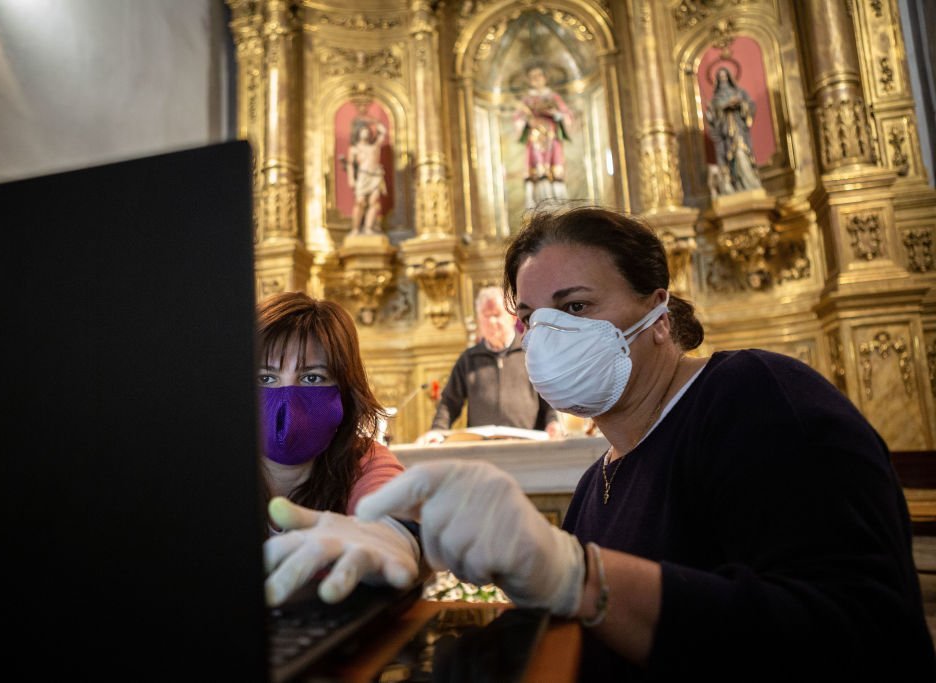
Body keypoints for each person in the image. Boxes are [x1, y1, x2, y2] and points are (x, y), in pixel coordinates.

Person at [266, 207, 936, 680]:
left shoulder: (753, 395)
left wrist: (581, 576)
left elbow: (861, 635)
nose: (546, 334)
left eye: (577, 306)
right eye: (531, 317)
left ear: (658, 313)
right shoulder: (598, 480)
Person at [256, 291, 419, 606]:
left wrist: (391, 538)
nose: (287, 401)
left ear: (345, 393)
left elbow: (393, 511)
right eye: (266, 377)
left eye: (312, 377)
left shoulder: (364, 461)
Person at [419, 286, 562, 444]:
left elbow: (550, 397)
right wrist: (438, 430)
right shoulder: (469, 359)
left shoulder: (531, 352)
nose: (491, 322)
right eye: (485, 316)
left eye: (496, 315)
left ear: (512, 317)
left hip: (528, 445)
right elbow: (449, 403)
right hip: (482, 447)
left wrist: (553, 422)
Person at [513, 64, 573, 209]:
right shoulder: (526, 100)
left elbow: (567, 115)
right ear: (529, 80)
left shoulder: (553, 97)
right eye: (533, 77)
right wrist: (527, 120)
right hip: (534, 139)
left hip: (551, 138)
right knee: (537, 169)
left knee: (554, 168)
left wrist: (555, 114)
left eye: (539, 76)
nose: (536, 79)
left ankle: (557, 203)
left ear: (545, 78)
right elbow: (518, 119)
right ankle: (537, 203)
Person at [705, 66, 763, 195]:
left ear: (729, 77)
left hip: (739, 130)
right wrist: (717, 111)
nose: (723, 79)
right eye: (720, 78)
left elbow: (750, 106)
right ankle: (734, 184)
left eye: (725, 76)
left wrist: (741, 105)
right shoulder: (715, 100)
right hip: (725, 135)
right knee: (728, 159)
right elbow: (713, 120)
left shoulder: (739, 93)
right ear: (718, 81)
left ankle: (750, 184)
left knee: (741, 154)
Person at [343, 114, 388, 236]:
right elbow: (350, 165)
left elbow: (383, 131)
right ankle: (356, 228)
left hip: (375, 176)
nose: (366, 133)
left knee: (374, 202)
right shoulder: (354, 148)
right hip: (363, 177)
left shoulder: (374, 146)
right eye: (363, 131)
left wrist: (372, 121)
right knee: (360, 202)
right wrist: (351, 179)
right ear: (358, 133)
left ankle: (368, 228)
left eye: (367, 131)